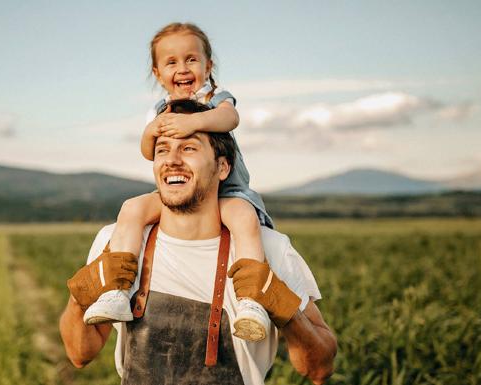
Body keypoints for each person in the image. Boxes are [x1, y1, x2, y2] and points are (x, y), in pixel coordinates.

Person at [60, 100, 337, 385]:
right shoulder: (117, 242)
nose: (172, 160)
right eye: (162, 150)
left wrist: (285, 308)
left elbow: (319, 369)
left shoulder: (270, 250)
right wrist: (81, 296)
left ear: (223, 167)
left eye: (189, 148)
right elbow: (80, 354)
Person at [82, 22, 273, 342]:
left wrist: (193, 121)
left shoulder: (214, 98)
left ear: (208, 66)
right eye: (171, 62)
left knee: (243, 217)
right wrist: (153, 130)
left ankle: (251, 301)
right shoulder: (161, 110)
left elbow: (230, 119)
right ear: (158, 73)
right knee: (131, 209)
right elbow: (147, 151)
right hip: (177, 189)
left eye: (191, 60)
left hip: (227, 191)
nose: (182, 68)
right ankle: (117, 291)